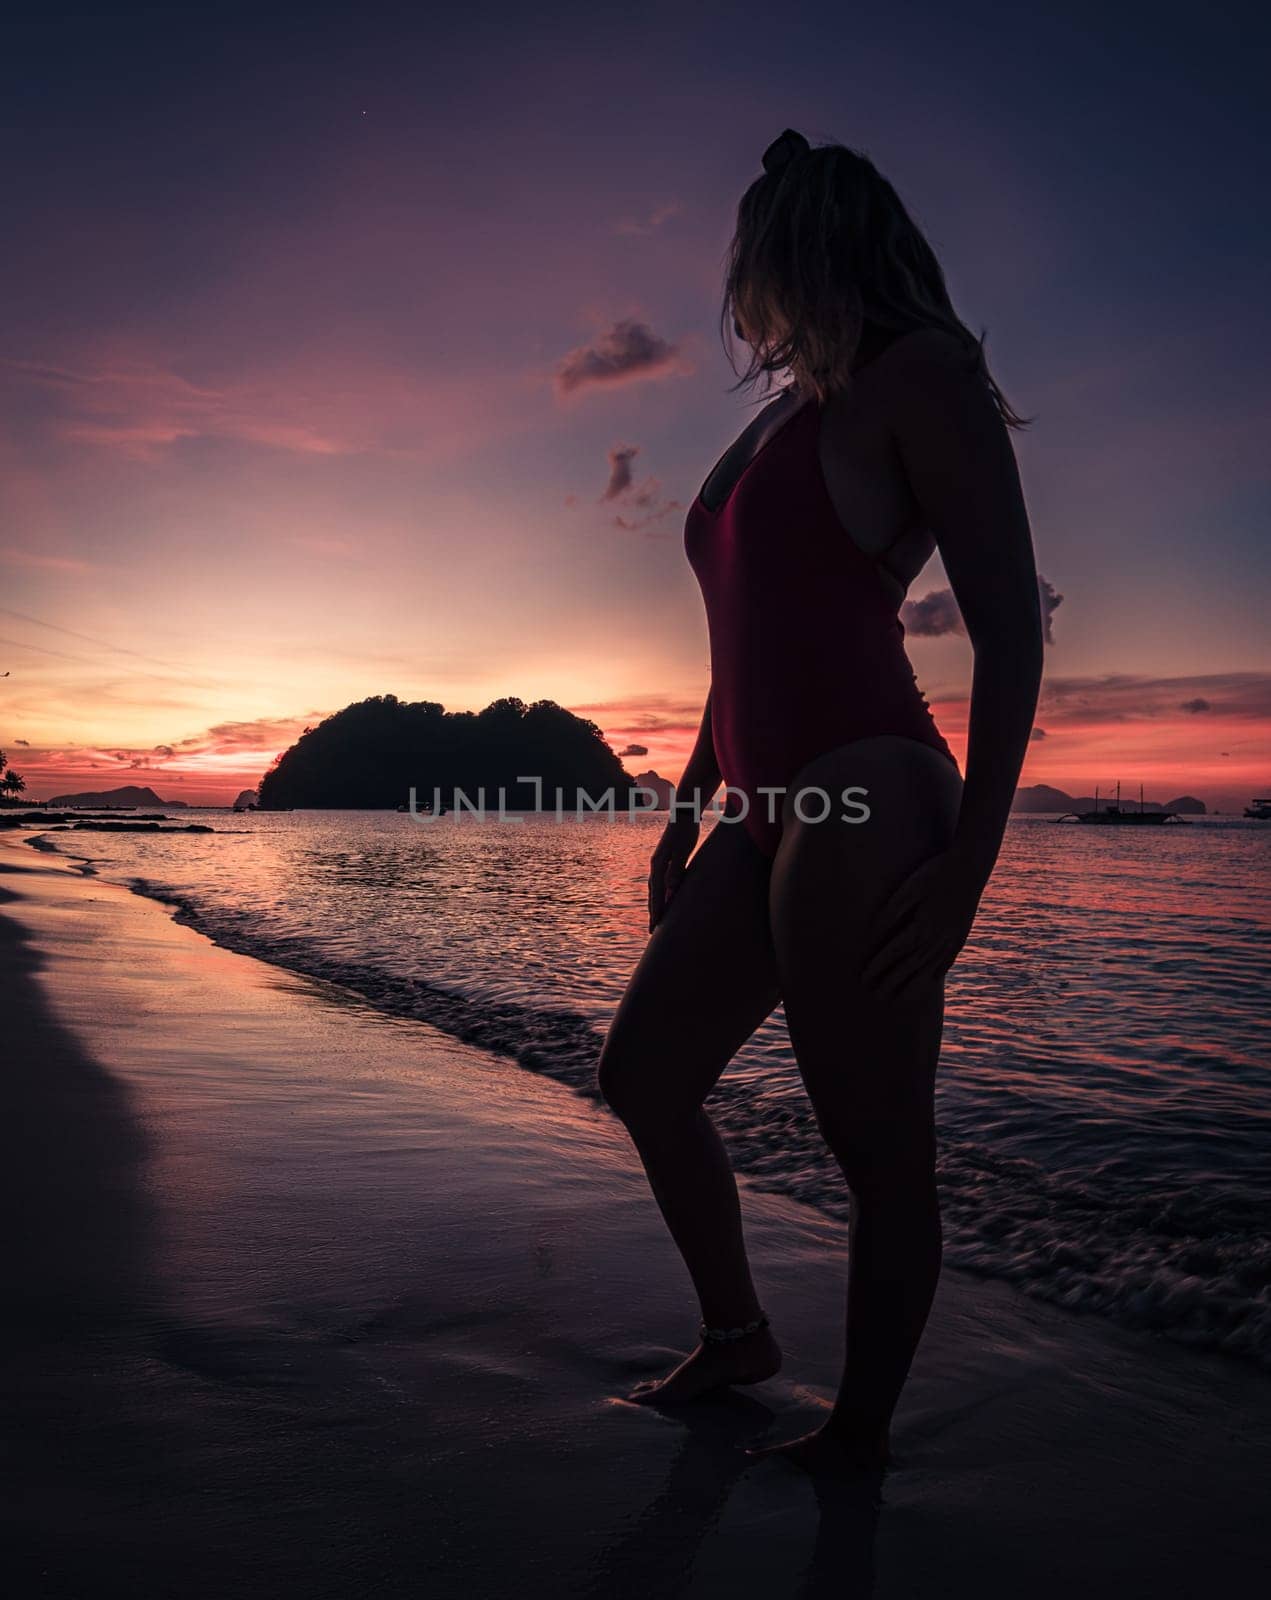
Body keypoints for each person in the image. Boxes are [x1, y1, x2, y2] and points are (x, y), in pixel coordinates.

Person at [596, 128, 1043, 1478]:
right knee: (646, 1075)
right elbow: (744, 637)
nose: (746, 296)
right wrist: (688, 805)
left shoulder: (924, 377)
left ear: (814, 244)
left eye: (761, 259)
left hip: (870, 783)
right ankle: (740, 1336)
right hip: (758, 802)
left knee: (873, 1140)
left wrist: (968, 868)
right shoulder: (782, 413)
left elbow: (1012, 634)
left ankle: (860, 1434)